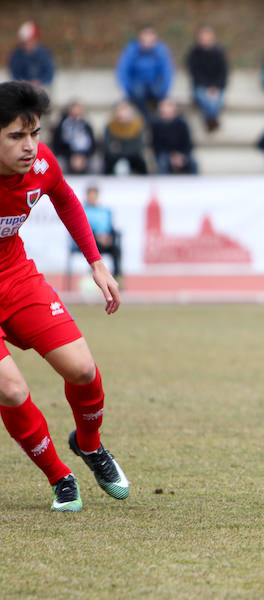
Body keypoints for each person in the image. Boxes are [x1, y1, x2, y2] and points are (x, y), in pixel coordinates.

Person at [0, 81, 129, 512]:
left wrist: (96, 263)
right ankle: (61, 477)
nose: (29, 146)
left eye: (34, 133)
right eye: (16, 136)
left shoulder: (41, 164)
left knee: (82, 369)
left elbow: (67, 201)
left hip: (15, 276)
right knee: (11, 390)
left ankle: (89, 445)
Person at [116, 25, 174, 118]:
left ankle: (156, 119)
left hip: (155, 83)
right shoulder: (131, 49)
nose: (148, 39)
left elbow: (167, 71)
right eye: (145, 36)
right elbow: (123, 71)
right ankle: (147, 119)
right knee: (138, 94)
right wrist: (127, 90)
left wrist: (165, 90)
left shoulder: (160, 50)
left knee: (159, 94)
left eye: (150, 36)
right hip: (137, 83)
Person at [186, 24, 228, 132]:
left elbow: (223, 73)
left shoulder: (219, 53)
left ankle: (209, 120)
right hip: (200, 86)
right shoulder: (194, 53)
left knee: (216, 101)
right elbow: (195, 73)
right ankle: (212, 120)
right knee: (205, 99)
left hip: (217, 86)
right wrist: (208, 87)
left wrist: (215, 87)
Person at [82, 184, 122, 279]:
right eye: (90, 195)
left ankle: (116, 277)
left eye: (94, 195)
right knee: (94, 247)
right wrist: (97, 237)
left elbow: (111, 228)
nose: (92, 198)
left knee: (116, 249)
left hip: (105, 240)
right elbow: (82, 229)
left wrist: (109, 237)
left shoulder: (105, 211)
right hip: (89, 241)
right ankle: (94, 276)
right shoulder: (82, 210)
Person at [150, 99, 198, 175]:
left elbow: (188, 143)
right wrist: (171, 157)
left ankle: (195, 185)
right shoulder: (156, 125)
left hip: (181, 154)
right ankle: (161, 184)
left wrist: (181, 156)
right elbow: (156, 145)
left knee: (194, 162)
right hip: (165, 155)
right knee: (162, 162)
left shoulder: (182, 124)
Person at [102, 100, 148, 175]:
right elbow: (108, 146)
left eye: (125, 110)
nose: (122, 113)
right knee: (108, 161)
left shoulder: (137, 126)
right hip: (115, 157)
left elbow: (138, 146)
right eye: (120, 110)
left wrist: (120, 146)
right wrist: (126, 145)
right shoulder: (111, 126)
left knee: (141, 163)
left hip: (133, 157)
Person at [51, 100, 96, 175]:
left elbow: (92, 145)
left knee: (95, 164)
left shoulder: (86, 125)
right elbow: (57, 146)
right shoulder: (62, 125)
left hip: (84, 156)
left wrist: (83, 156)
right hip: (66, 156)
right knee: (59, 164)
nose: (76, 112)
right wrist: (71, 156)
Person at [8, 21, 54, 89]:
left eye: (29, 42)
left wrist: (40, 82)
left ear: (35, 40)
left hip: (42, 87)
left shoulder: (44, 54)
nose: (27, 46)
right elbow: (15, 73)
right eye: (24, 43)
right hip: (23, 88)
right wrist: (25, 83)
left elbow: (49, 72)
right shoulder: (17, 56)